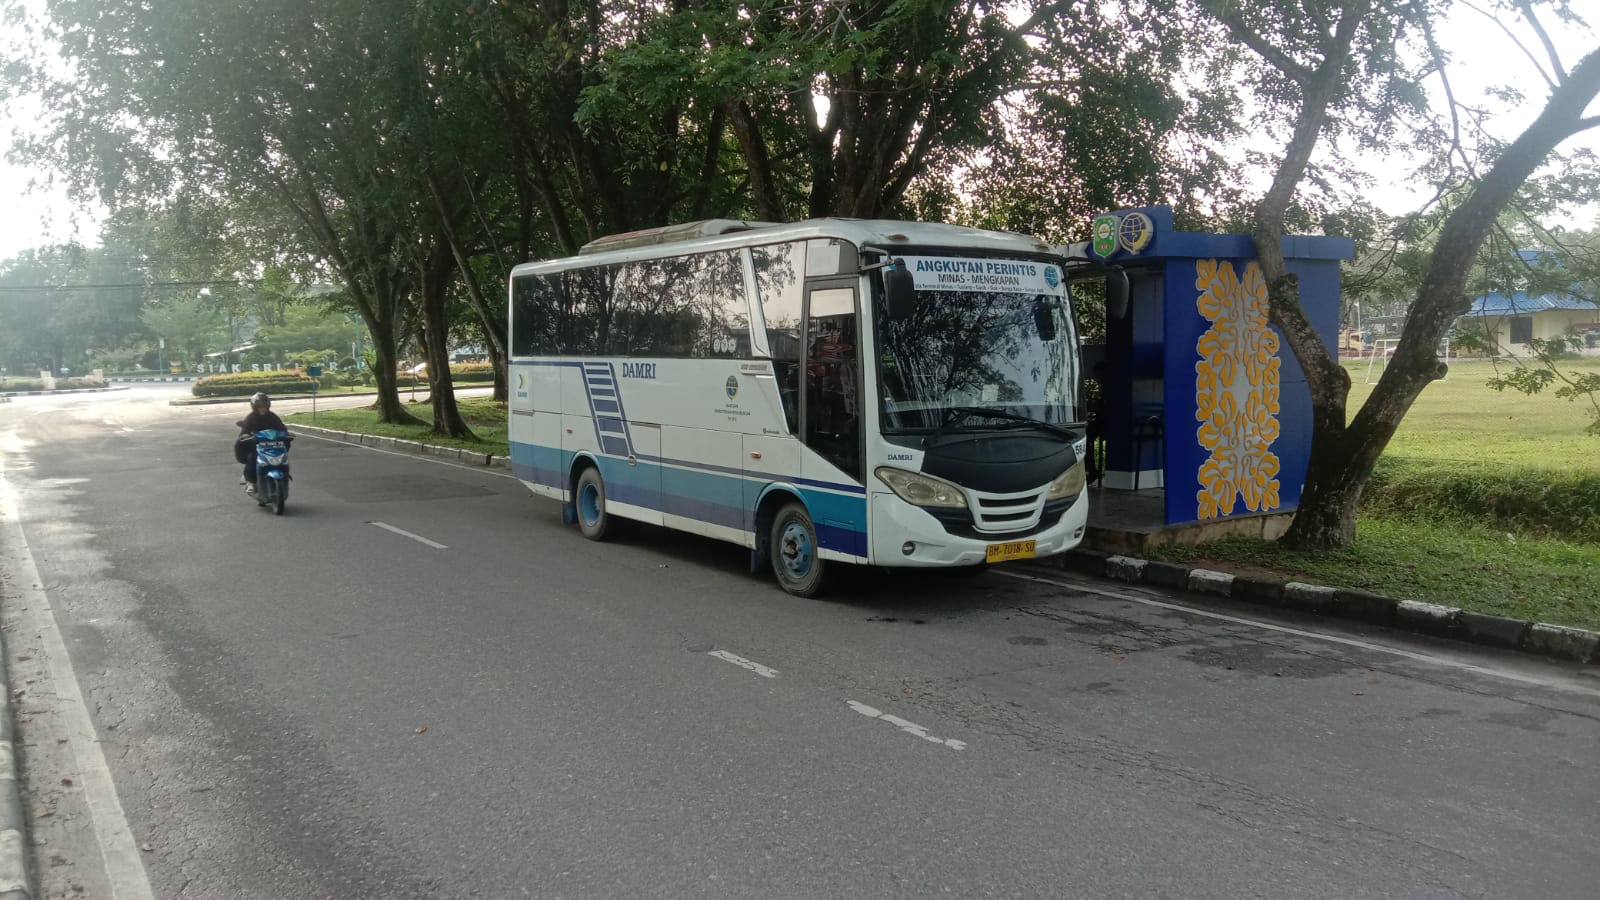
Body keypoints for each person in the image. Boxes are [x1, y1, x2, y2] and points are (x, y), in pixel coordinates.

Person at [234, 392, 289, 494]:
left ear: (268, 406)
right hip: (257, 446)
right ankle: (251, 482)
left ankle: (284, 474)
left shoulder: (272, 416)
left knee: (283, 456)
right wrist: (246, 435)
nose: (262, 408)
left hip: (273, 445)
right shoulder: (251, 418)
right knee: (252, 457)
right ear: (255, 407)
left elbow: (281, 428)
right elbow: (244, 430)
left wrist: (286, 434)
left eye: (264, 406)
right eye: (259, 406)